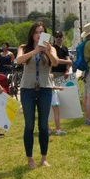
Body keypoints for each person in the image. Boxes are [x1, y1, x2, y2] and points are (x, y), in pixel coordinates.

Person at [16, 21, 59, 168]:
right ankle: (30, 159)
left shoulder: (50, 48)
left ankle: (43, 158)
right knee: (29, 125)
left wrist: (46, 51)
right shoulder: (24, 47)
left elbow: (55, 62)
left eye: (41, 32)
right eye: (36, 32)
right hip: (27, 89)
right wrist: (35, 51)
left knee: (43, 124)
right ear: (32, 34)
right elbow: (19, 60)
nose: (39, 35)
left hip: (45, 88)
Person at [50, 31, 72, 135]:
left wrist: (67, 70)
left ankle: (62, 117)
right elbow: (56, 61)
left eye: (60, 36)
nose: (58, 38)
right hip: (53, 74)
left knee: (61, 98)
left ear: (63, 38)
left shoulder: (65, 48)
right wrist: (68, 62)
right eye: (56, 36)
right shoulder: (52, 48)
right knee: (53, 99)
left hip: (63, 74)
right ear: (54, 38)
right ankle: (52, 124)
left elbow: (68, 60)